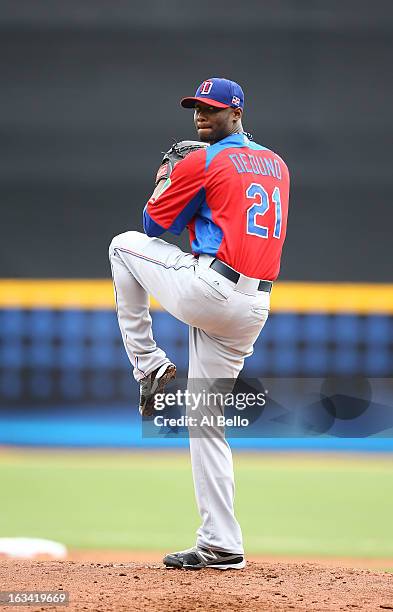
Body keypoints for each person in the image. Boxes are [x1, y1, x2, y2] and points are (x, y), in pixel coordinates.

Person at [109, 77, 290, 570]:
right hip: (253, 305)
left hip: (211, 288)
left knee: (122, 245)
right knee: (205, 420)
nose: (200, 115)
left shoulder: (204, 159)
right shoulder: (276, 163)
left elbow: (151, 225)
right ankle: (222, 543)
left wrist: (169, 181)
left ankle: (146, 365)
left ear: (236, 113)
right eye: (196, 107)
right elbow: (225, 217)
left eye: (211, 108)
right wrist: (193, 197)